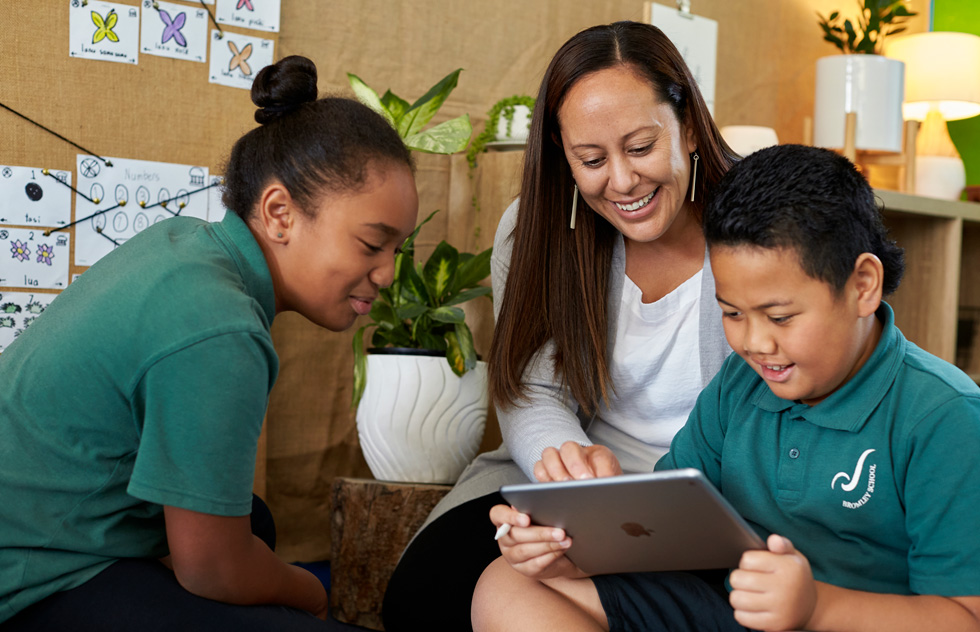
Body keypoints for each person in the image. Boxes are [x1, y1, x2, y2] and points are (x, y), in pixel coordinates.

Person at [472, 144, 980, 632]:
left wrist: (816, 607)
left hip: (849, 619)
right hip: (731, 612)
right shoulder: (741, 384)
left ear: (863, 285)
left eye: (780, 316)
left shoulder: (944, 418)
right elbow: (664, 530)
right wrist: (567, 553)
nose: (755, 343)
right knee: (510, 584)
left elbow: (966, 618)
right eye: (731, 313)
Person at [0, 55, 418, 631]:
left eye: (397, 250)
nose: (388, 273)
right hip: (31, 574)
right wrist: (312, 596)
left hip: (53, 523)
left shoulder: (187, 244)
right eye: (373, 244)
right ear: (280, 213)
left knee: (253, 523)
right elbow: (210, 569)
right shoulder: (219, 328)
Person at [382, 21, 738, 631]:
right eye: (591, 160)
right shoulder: (536, 229)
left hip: (712, 503)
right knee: (428, 597)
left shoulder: (757, 222)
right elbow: (533, 388)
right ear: (560, 151)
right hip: (566, 489)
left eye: (641, 147)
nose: (622, 182)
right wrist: (564, 464)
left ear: (688, 123)